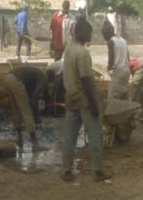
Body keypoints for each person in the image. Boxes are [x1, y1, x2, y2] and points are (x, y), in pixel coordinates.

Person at [62, 17, 110, 182]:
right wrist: (94, 104)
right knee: (95, 134)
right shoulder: (82, 53)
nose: (90, 35)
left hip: (71, 96)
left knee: (70, 136)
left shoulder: (69, 49)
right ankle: (97, 171)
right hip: (84, 98)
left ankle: (66, 171)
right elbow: (87, 80)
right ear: (81, 32)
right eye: (89, 32)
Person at [4, 66, 47, 152]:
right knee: (26, 111)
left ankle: (20, 139)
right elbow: (35, 97)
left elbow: (30, 95)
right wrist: (36, 115)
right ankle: (35, 145)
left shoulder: (33, 74)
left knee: (16, 110)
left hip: (7, 78)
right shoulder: (43, 77)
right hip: (15, 80)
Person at [101, 20, 130, 99]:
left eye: (104, 35)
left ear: (107, 33)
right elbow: (128, 55)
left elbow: (111, 55)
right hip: (126, 70)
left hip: (118, 71)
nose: (104, 38)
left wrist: (109, 68)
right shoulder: (123, 40)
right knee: (123, 93)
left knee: (113, 96)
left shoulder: (111, 41)